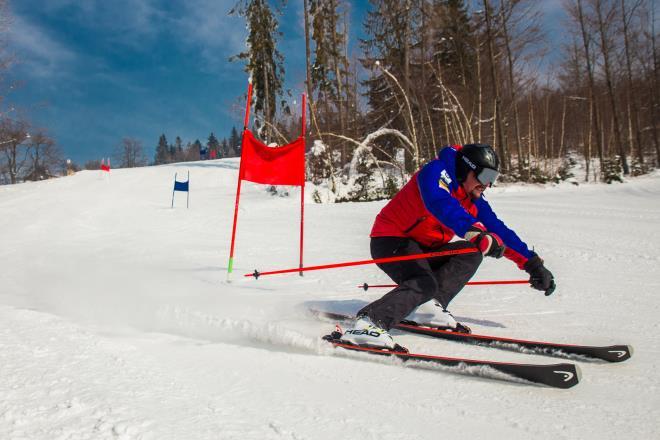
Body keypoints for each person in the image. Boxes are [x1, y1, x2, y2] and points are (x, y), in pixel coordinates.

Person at [342, 144, 555, 349]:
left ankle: (428, 306)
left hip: (425, 248)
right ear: (467, 170)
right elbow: (439, 202)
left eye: (493, 179)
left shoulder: (472, 198)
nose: (487, 185)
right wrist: (474, 231)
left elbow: (499, 230)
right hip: (392, 240)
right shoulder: (436, 171)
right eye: (484, 177)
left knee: (470, 252)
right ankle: (369, 323)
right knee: (423, 282)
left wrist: (532, 264)